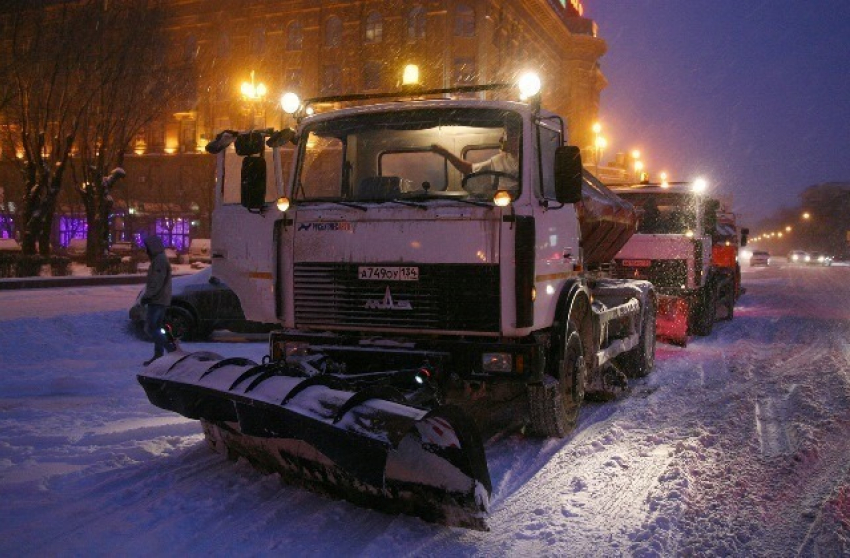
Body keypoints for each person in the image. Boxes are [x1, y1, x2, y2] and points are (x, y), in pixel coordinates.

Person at [431, 126, 520, 192]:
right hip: (504, 205)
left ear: (518, 138)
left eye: (505, 136)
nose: (500, 140)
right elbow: (469, 169)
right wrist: (446, 154)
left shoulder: (531, 160)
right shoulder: (499, 160)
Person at [141, 235, 176, 365]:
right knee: (156, 327)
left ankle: (170, 350)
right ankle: (159, 354)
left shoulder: (159, 261)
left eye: (147, 248)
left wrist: (148, 296)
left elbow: (156, 281)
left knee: (151, 328)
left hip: (157, 300)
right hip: (161, 299)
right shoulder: (160, 259)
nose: (146, 251)